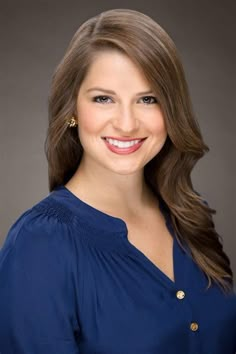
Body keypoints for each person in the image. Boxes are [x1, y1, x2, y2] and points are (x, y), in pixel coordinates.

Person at [0, 8, 235, 354]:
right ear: (72, 111)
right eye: (103, 98)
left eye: (147, 99)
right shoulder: (39, 246)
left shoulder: (188, 215)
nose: (127, 124)